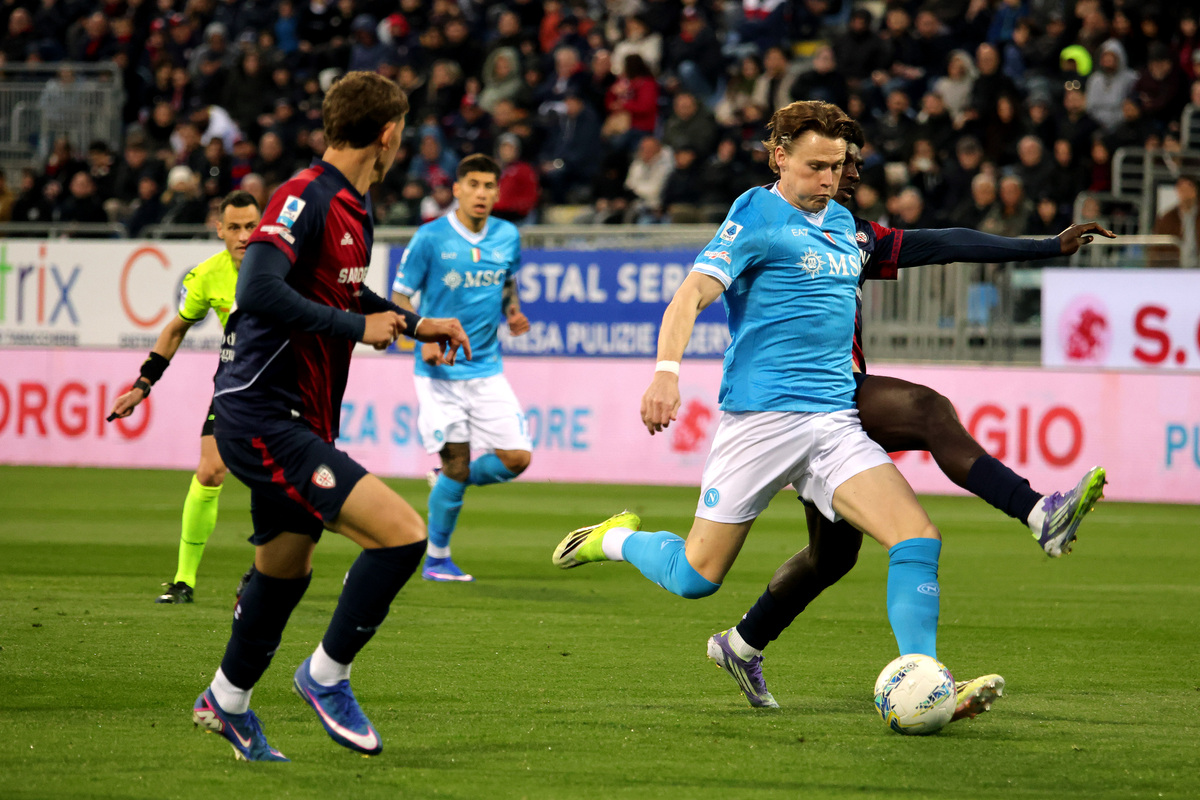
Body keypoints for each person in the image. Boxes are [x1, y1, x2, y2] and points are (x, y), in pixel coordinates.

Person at [552, 100, 1001, 723]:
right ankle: (614, 539)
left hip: (832, 420)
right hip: (760, 422)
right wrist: (665, 372)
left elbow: (931, 245)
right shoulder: (754, 214)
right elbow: (691, 295)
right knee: (695, 576)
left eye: (837, 166)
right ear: (779, 156)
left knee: (917, 538)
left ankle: (927, 681)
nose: (828, 178)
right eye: (816, 165)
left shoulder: (844, 223)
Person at [705, 126, 1112, 712]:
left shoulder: (852, 235)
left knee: (831, 558)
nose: (848, 174)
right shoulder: (771, 220)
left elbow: (944, 242)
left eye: (851, 165)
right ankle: (1035, 512)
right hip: (795, 402)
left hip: (829, 409)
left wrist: (1048, 245)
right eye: (838, 163)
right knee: (925, 409)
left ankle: (740, 644)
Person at [189, 71, 470, 762]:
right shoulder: (301, 196)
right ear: (387, 133)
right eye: (401, 130)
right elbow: (257, 288)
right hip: (263, 411)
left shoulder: (351, 205)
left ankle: (225, 701)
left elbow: (345, 290)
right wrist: (354, 326)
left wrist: (411, 322)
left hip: (301, 415)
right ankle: (326, 675)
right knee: (402, 536)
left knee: (285, 569)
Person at [108, 190, 262, 604]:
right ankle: (183, 581)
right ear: (220, 230)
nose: (244, 235)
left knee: (280, 482)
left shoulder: (283, 268)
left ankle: (264, 570)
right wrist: (143, 385)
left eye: (251, 226)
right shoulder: (207, 276)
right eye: (234, 228)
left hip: (283, 386)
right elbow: (176, 329)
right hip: (234, 385)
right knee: (210, 471)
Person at [390, 154, 532, 583]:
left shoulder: (508, 235)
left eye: (489, 186)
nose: (482, 193)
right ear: (456, 189)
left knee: (517, 459)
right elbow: (398, 298)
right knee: (457, 461)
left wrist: (513, 311)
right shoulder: (431, 238)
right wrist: (421, 339)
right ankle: (437, 560)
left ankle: (447, 481)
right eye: (473, 184)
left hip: (486, 367)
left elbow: (506, 280)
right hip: (439, 373)